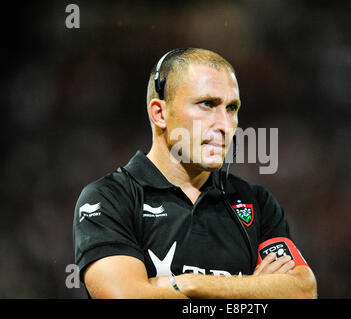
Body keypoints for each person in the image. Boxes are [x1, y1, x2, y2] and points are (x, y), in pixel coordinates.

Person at [73, 47, 317, 299]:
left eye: (232, 108)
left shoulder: (256, 203)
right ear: (160, 113)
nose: (225, 125)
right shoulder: (109, 199)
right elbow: (127, 297)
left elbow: (302, 291)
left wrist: (189, 284)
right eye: (207, 104)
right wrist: (252, 290)